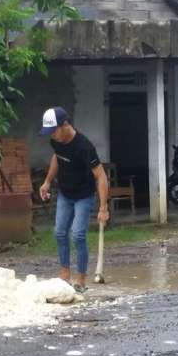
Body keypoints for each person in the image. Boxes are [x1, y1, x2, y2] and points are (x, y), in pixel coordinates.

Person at [38, 106, 109, 292]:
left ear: (65, 125)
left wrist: (103, 207)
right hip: (65, 193)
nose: (51, 135)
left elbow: (101, 177)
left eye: (53, 130)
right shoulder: (56, 141)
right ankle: (64, 275)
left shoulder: (84, 147)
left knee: (77, 235)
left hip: (83, 196)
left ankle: (81, 279)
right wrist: (47, 182)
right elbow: (57, 158)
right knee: (60, 233)